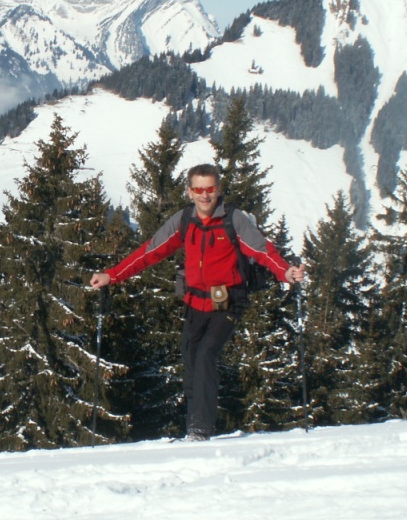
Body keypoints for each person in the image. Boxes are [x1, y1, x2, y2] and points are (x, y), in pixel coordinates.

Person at [90, 162, 306, 441]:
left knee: (205, 355)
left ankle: (200, 430)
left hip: (228, 300)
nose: (205, 195)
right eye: (199, 189)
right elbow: (150, 252)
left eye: (210, 189)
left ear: (218, 190)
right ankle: (194, 427)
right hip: (195, 301)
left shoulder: (234, 220)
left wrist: (286, 272)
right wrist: (112, 275)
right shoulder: (184, 220)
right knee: (191, 360)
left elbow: (263, 251)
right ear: (190, 192)